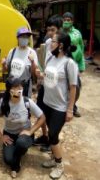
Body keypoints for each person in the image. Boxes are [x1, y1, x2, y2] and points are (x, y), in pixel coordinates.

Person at [36, 30, 78, 179]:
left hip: (60, 107)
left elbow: (73, 87)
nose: (50, 43)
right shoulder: (50, 60)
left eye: (53, 41)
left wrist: (70, 109)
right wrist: (40, 75)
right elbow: (48, 78)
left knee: (53, 135)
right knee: (50, 131)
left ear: (60, 45)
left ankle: (59, 164)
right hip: (47, 103)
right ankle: (54, 159)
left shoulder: (69, 63)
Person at [0, 78, 45, 178]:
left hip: (25, 134)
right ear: (9, 90)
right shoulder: (3, 103)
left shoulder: (27, 102)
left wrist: (31, 131)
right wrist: (1, 137)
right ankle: (15, 154)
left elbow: (42, 117)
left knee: (21, 143)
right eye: (15, 87)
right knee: (8, 160)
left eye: (20, 87)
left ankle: (16, 163)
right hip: (9, 134)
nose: (18, 90)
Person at [34, 15, 63, 149]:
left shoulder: (63, 48)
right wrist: (40, 76)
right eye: (48, 30)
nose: (50, 33)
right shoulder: (46, 44)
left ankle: (52, 142)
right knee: (41, 112)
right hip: (45, 86)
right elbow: (43, 62)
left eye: (53, 30)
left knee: (52, 117)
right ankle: (45, 137)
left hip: (55, 89)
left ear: (59, 30)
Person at [2, 27, 38, 98]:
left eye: (26, 37)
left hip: (25, 86)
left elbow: (34, 73)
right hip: (12, 85)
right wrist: (3, 64)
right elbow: (7, 69)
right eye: (22, 36)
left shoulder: (32, 52)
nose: (25, 38)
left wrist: (32, 62)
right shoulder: (12, 51)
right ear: (18, 38)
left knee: (24, 106)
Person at [62, 12, 85, 117]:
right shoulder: (59, 32)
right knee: (62, 86)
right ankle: (62, 107)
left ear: (72, 21)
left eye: (69, 20)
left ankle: (73, 106)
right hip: (62, 64)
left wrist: (81, 67)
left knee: (76, 87)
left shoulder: (77, 33)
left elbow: (81, 49)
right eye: (65, 19)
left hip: (74, 65)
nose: (66, 21)